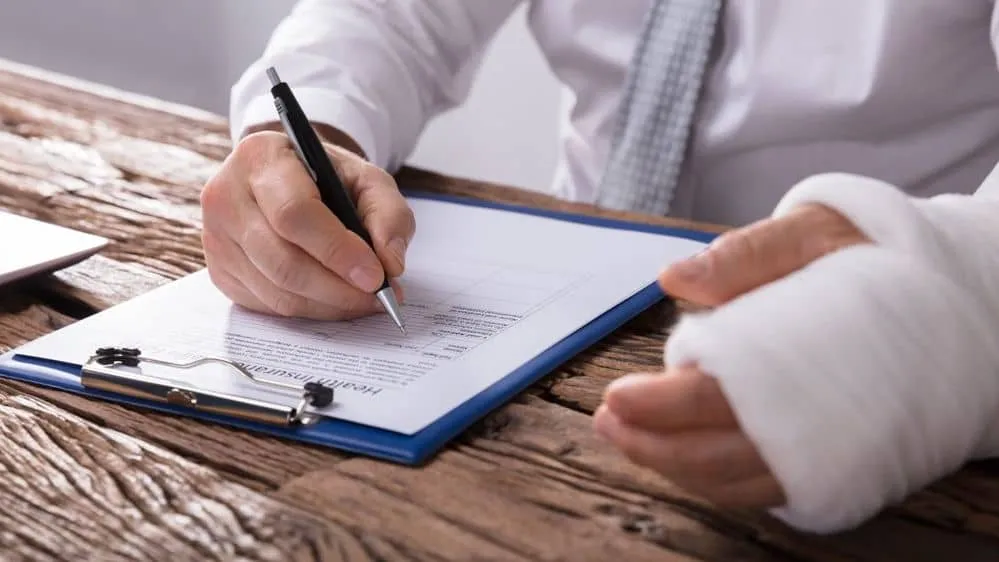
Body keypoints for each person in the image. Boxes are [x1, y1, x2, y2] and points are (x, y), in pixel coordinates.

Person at [200, 0, 999, 533]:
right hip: (562, 291)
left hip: (860, 317)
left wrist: (951, 301)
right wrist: (316, 138)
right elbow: (385, 16)